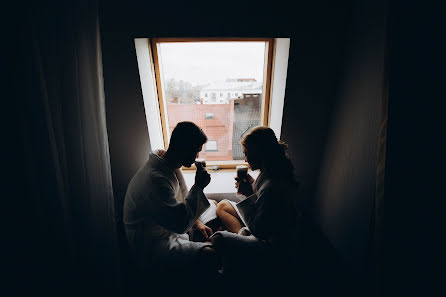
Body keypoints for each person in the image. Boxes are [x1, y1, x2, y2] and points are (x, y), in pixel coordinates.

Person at [123, 121, 220, 287]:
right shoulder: (154, 179)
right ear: (185, 149)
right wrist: (199, 186)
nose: (197, 157)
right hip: (154, 244)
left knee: (213, 204)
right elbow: (180, 224)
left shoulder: (170, 164)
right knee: (211, 256)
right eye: (196, 151)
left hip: (168, 225)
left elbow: (184, 196)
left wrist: (197, 223)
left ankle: (201, 242)